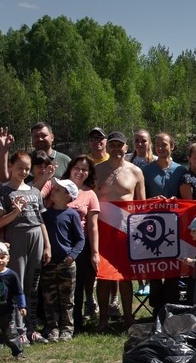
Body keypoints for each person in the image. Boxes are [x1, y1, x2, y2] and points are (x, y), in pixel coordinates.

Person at [0, 150, 50, 344]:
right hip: (16, 236)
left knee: (32, 285)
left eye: (27, 168)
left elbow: (41, 220)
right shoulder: (3, 190)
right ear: (11, 166)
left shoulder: (34, 191)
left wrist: (47, 245)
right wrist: (15, 212)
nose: (23, 172)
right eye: (20, 168)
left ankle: (32, 327)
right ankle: (18, 330)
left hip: (36, 237)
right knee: (17, 284)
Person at [93, 132, 146, 330]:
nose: (116, 148)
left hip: (126, 230)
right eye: (112, 145)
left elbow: (141, 205)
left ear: (126, 147)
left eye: (120, 145)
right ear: (107, 147)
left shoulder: (135, 172)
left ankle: (128, 316)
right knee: (104, 275)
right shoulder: (96, 170)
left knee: (126, 276)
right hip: (103, 228)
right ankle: (103, 318)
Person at [41, 178, 85, 342]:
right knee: (49, 298)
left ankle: (67, 329)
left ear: (68, 196)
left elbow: (80, 239)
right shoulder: (45, 214)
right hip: (48, 263)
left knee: (67, 299)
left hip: (66, 263)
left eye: (59, 190)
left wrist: (72, 256)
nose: (54, 191)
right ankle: (52, 328)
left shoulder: (72, 214)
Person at [64, 156, 101, 332]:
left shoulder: (90, 194)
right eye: (77, 168)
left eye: (84, 169)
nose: (80, 172)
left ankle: (76, 322)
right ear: (70, 168)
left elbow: (93, 225)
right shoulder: (58, 187)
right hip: (59, 242)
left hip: (80, 245)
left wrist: (94, 252)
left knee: (77, 285)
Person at [142, 132, 187, 199]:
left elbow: (187, 200)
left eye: (164, 145)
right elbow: (139, 200)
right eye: (157, 145)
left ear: (172, 146)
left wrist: (177, 200)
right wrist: (151, 200)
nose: (160, 148)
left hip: (174, 209)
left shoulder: (181, 171)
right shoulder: (145, 171)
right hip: (153, 209)